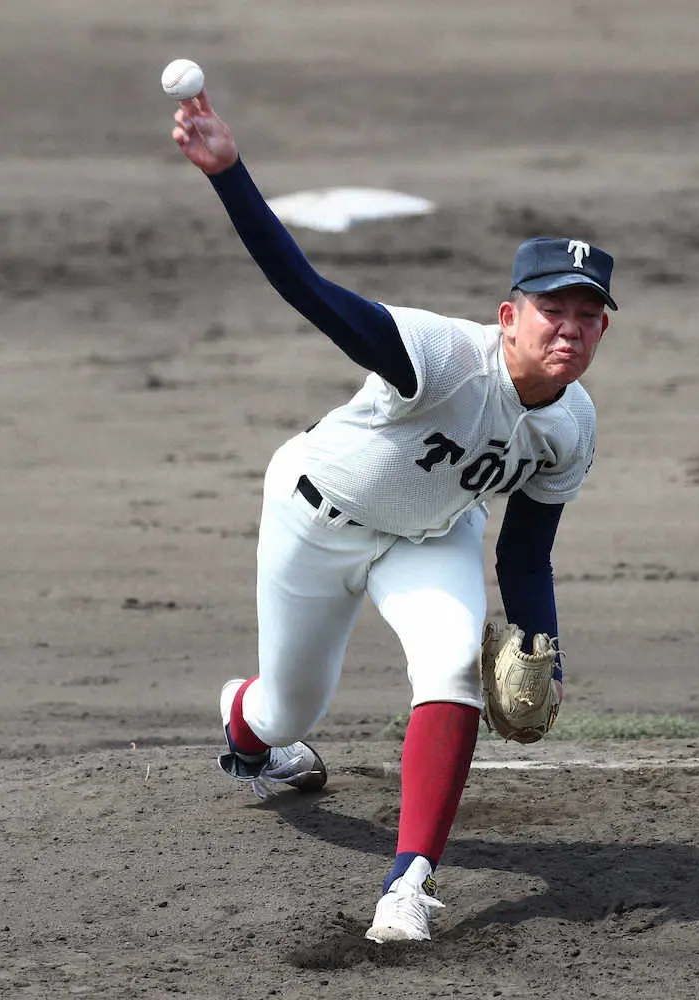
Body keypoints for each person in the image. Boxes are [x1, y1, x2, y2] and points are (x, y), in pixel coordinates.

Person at [169, 87, 616, 944]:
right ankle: (246, 724)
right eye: (551, 311)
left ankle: (407, 885)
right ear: (509, 316)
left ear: (601, 329)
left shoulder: (573, 424)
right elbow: (305, 288)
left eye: (586, 316)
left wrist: (538, 646)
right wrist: (229, 173)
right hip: (315, 516)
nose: (568, 329)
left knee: (450, 667)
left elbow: (526, 553)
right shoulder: (440, 355)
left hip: (431, 537)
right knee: (287, 712)